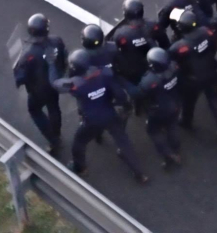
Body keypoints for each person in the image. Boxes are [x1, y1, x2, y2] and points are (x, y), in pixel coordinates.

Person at [50, 49, 147, 183]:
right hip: (110, 114)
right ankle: (140, 174)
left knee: (79, 143)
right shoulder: (104, 74)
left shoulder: (74, 84)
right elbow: (119, 94)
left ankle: (80, 168)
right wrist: (124, 105)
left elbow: (55, 83)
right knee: (124, 142)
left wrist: (51, 64)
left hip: (91, 121)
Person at [168, 10, 217, 142]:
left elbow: (172, 61)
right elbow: (214, 46)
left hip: (192, 80)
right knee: (215, 102)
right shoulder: (206, 32)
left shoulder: (179, 46)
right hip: (211, 72)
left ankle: (186, 122)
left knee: (188, 102)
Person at [13, 14, 67, 155]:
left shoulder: (28, 53)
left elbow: (21, 76)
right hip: (54, 84)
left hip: (38, 91)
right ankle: (57, 132)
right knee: (54, 108)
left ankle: (53, 140)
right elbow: (63, 58)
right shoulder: (56, 41)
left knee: (35, 111)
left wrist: (18, 81)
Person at [136, 48, 183, 169]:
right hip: (175, 102)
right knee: (172, 125)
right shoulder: (174, 67)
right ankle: (176, 148)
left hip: (159, 110)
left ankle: (168, 154)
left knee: (153, 131)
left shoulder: (149, 80)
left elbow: (141, 94)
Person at [108, 0, 167, 86]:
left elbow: (115, 49)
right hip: (156, 61)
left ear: (126, 14)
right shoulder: (152, 25)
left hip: (135, 70)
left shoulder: (121, 34)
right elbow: (164, 41)